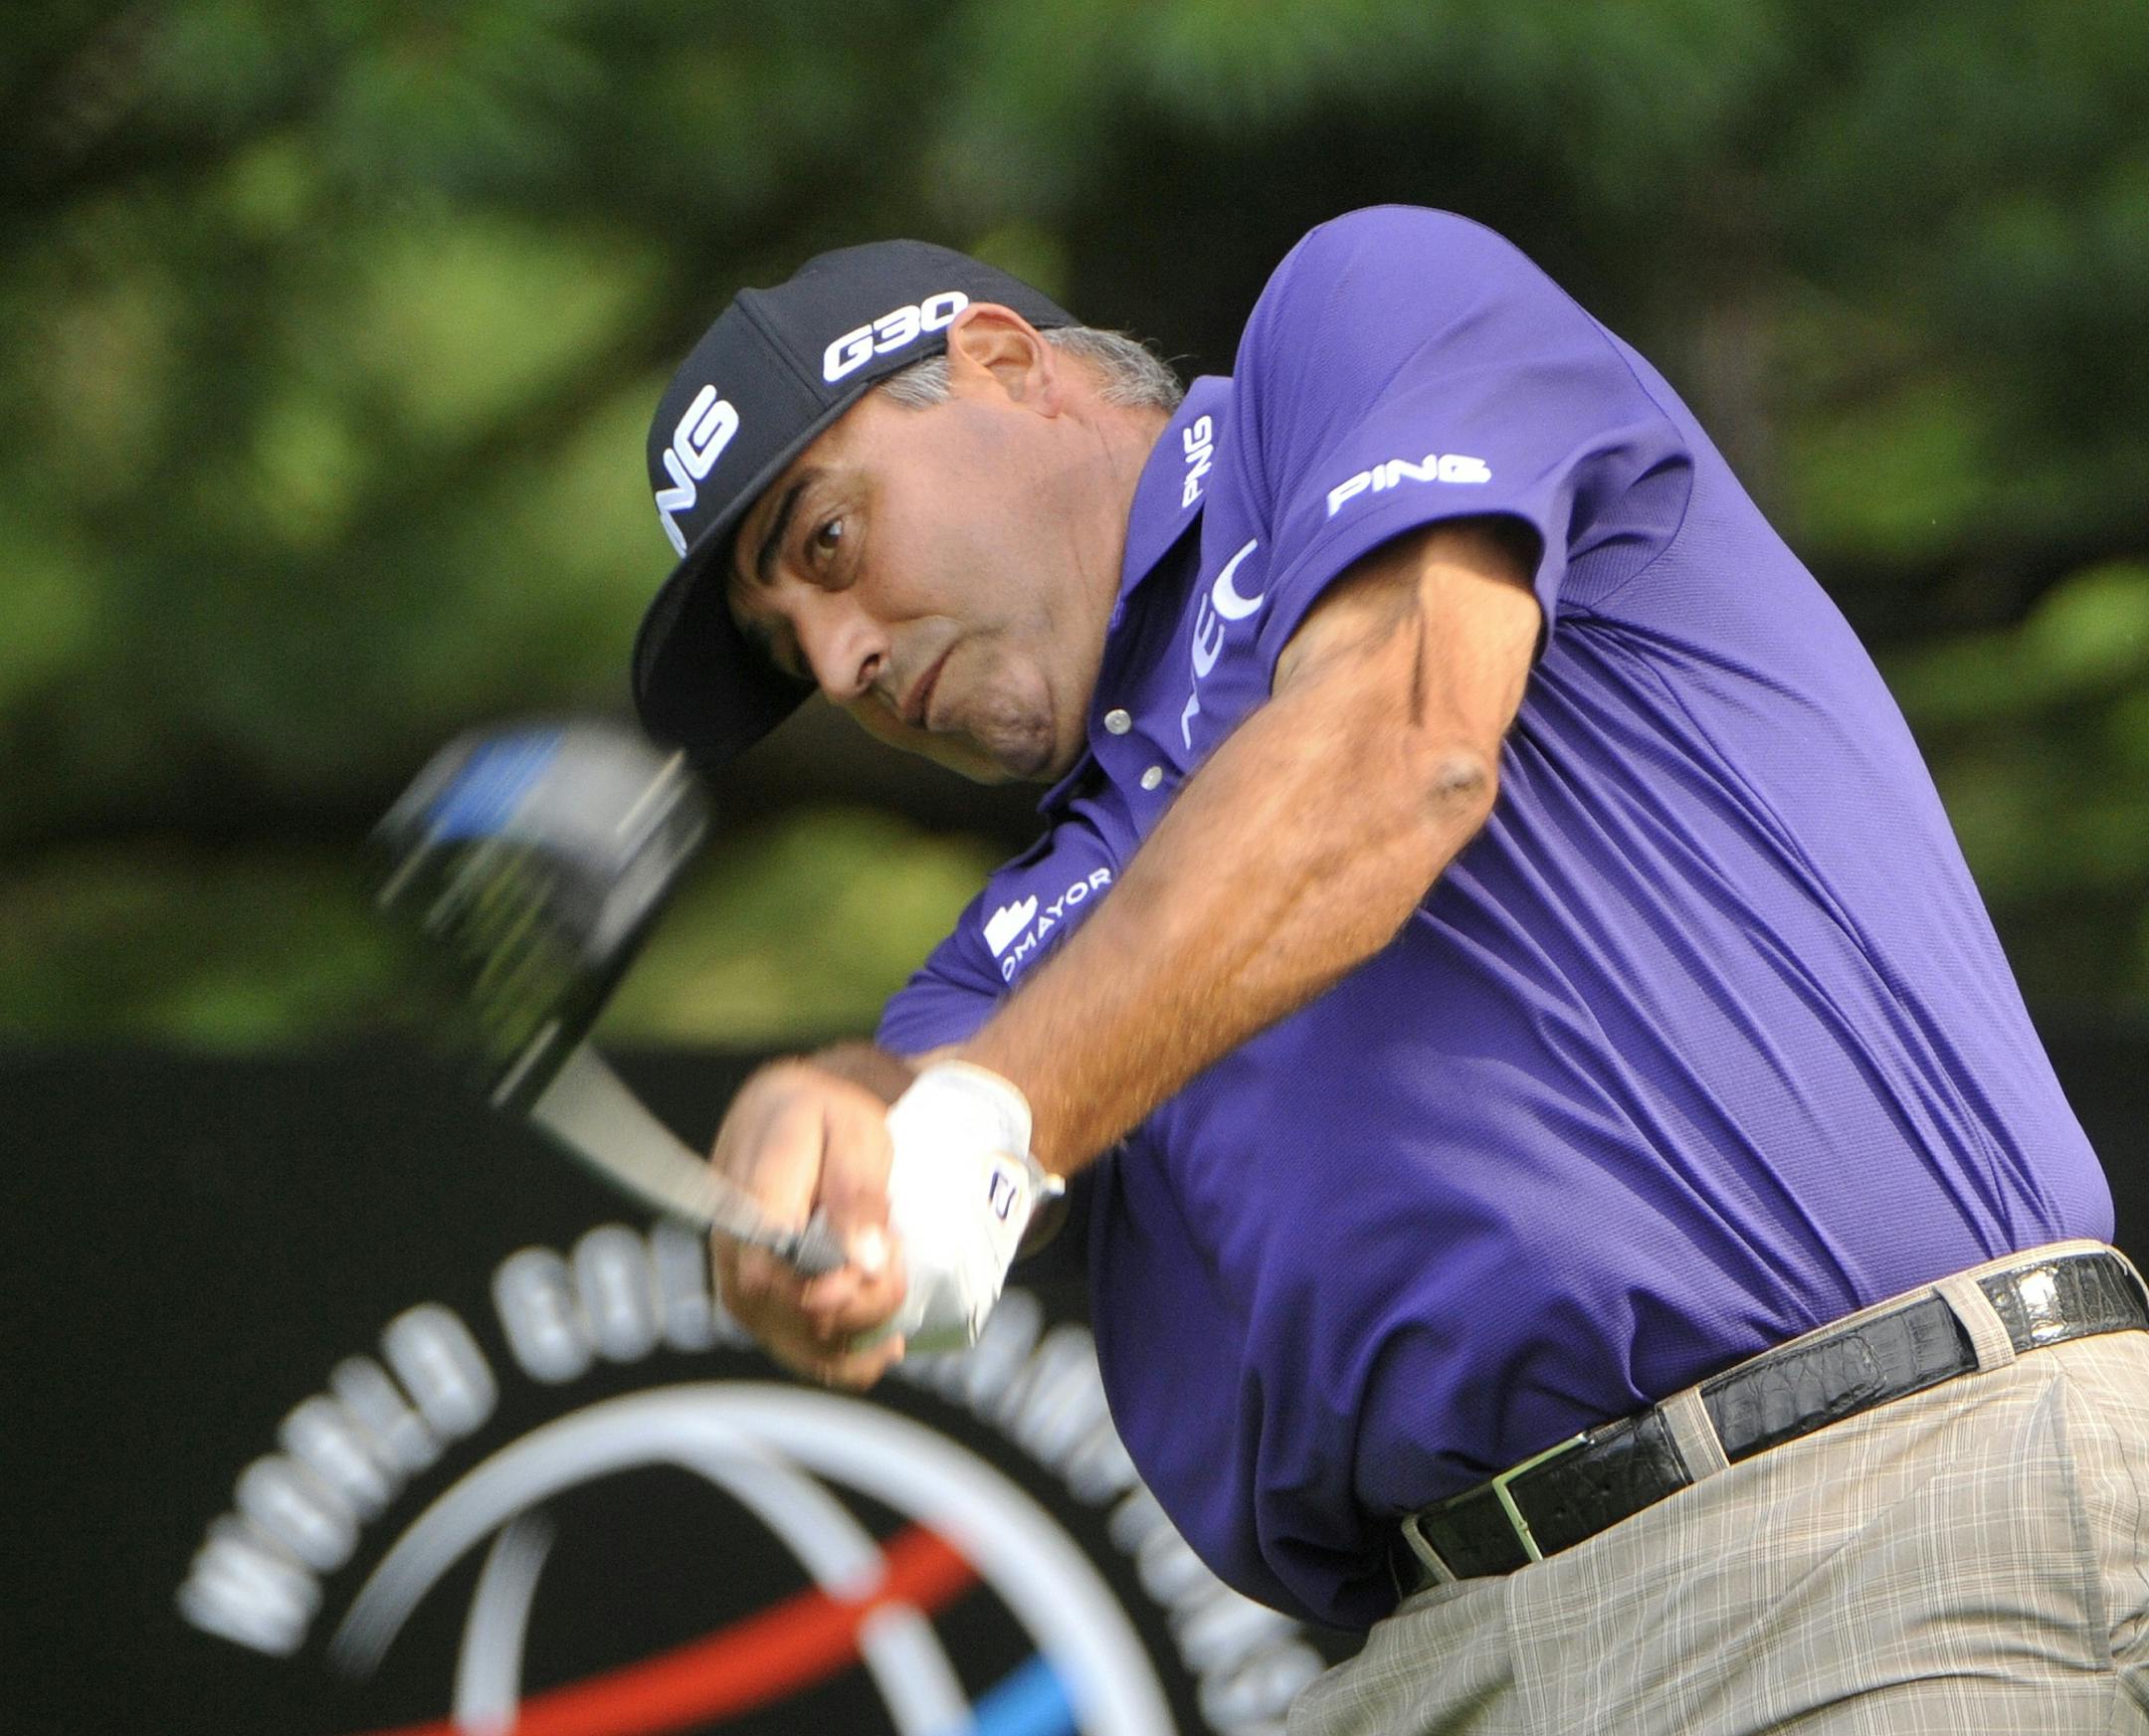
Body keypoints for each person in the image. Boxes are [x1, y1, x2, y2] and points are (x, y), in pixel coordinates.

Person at [628, 209, 2149, 1732]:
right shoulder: (1037, 922)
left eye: (830, 543)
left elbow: (1400, 740)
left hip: (1873, 1520)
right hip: (1441, 1662)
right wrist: (840, 1128)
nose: (840, 666)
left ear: (1006, 364)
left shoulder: (1361, 319)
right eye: (788, 648)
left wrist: (993, 1109)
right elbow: (924, 1103)